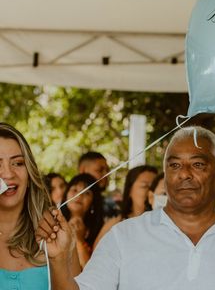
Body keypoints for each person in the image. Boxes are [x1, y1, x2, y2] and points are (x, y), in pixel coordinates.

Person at [37, 126, 215, 290]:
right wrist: (57, 259)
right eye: (174, 165)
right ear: (165, 176)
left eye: (198, 164)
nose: (184, 174)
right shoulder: (123, 237)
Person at [0, 122, 79, 289]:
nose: (8, 173)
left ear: (30, 174)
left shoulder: (55, 233)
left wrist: (59, 259)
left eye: (18, 163)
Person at [93, 165, 157, 246]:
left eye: (155, 187)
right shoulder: (115, 225)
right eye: (145, 186)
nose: (151, 191)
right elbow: (97, 256)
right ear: (130, 190)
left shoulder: (165, 224)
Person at [61, 174, 104, 267]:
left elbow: (89, 272)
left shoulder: (100, 232)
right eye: (75, 190)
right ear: (65, 196)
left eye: (87, 193)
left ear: (93, 202)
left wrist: (79, 240)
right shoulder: (54, 223)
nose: (79, 195)